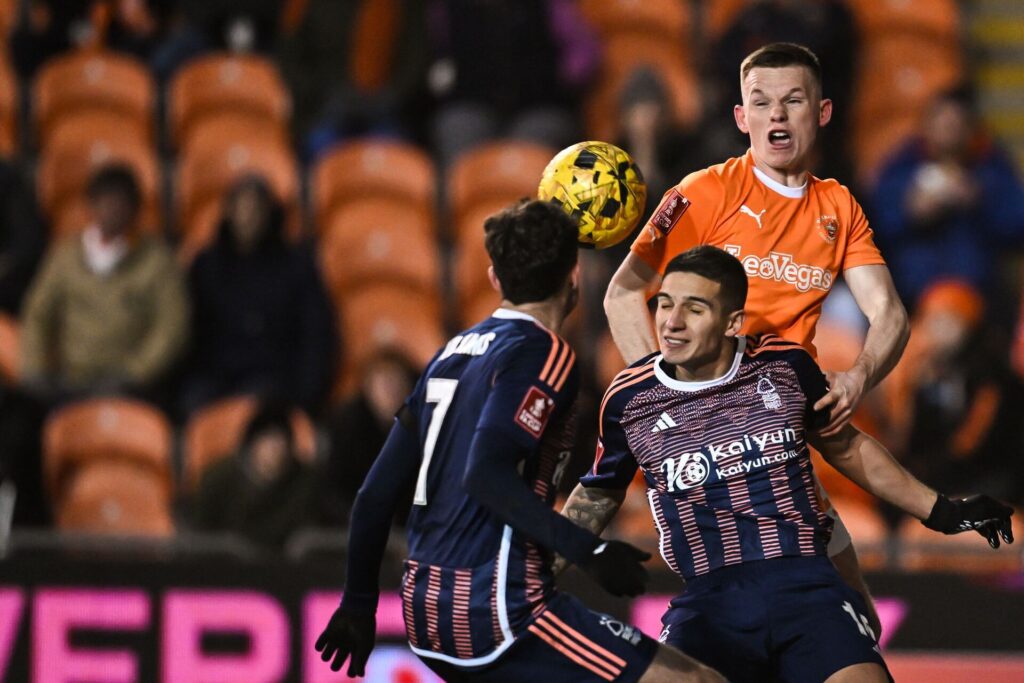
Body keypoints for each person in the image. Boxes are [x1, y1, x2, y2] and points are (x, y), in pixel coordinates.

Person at [315, 200, 724, 682]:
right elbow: (485, 473)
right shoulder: (545, 353)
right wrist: (587, 551)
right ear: (574, 277)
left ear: (493, 278)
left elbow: (373, 495)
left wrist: (360, 603)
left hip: (421, 611)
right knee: (696, 680)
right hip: (496, 611)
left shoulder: (449, 354)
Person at [565, 246, 1013, 683]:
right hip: (710, 605)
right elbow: (599, 492)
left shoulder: (784, 366)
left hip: (808, 589)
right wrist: (533, 571)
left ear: (733, 322)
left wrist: (944, 511)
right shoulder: (629, 399)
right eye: (663, 305)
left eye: (694, 309)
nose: (671, 323)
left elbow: (846, 446)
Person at [602, 42, 910, 633]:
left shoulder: (838, 207)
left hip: (777, 417)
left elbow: (889, 313)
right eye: (761, 103)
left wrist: (859, 374)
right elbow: (623, 292)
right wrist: (670, 389)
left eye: (792, 100)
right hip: (712, 423)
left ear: (821, 112)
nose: (776, 115)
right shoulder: (703, 193)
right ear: (741, 118)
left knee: (844, 590)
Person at [19, 163, 188, 402]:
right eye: (105, 201)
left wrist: (136, 372)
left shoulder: (158, 261)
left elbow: (172, 326)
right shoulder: (65, 256)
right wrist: (35, 369)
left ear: (135, 208)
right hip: (71, 380)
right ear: (92, 205)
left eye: (120, 202)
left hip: (132, 385)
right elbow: (38, 313)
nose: (112, 209)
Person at [181, 174, 336, 417]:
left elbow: (315, 332)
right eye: (242, 208)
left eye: (256, 209)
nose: (248, 217)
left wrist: (307, 396)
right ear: (229, 213)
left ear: (269, 213)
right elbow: (190, 331)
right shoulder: (206, 266)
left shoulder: (296, 265)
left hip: (275, 378)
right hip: (216, 378)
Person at [870, 85, 1024, 309]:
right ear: (926, 126)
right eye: (942, 123)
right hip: (908, 291)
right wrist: (909, 211)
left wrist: (981, 199)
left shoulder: (991, 167)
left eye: (956, 124)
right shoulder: (901, 166)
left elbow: (1017, 226)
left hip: (975, 293)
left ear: (971, 129)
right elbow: (871, 226)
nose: (948, 131)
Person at [193, 401, 322, 549]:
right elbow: (202, 538)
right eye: (268, 439)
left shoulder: (306, 482)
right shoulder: (218, 480)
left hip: (286, 567)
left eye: (282, 440)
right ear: (252, 444)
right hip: (226, 567)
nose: (276, 448)